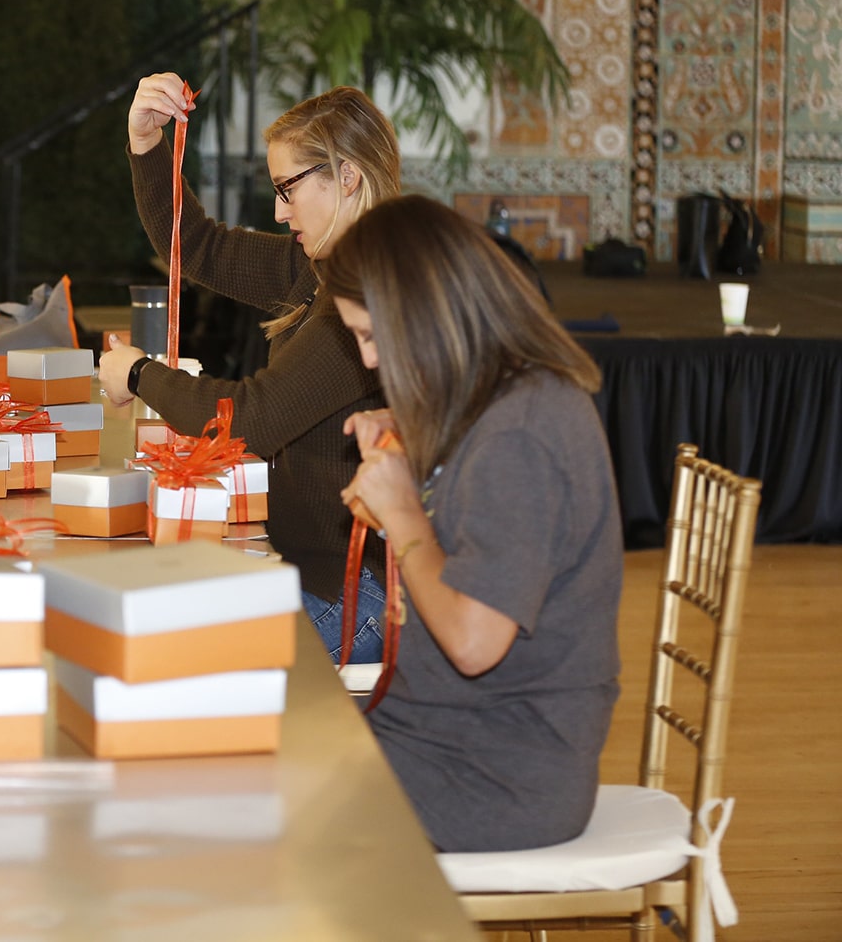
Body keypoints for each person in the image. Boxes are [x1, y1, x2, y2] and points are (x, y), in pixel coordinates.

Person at [324, 194, 622, 852]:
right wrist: (413, 437)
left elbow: (473, 643)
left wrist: (402, 512)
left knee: (247, 796)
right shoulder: (502, 400)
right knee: (251, 750)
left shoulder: (520, 434)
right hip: (449, 737)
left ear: (427, 319)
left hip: (494, 773)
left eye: (373, 336)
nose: (370, 362)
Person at [99, 72, 401, 662]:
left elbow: (250, 419)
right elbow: (199, 246)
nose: (280, 211)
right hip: (311, 575)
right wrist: (146, 143)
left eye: (287, 189)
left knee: (177, 669)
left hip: (351, 601)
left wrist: (140, 375)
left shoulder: (366, 297)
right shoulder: (319, 267)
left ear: (347, 176)